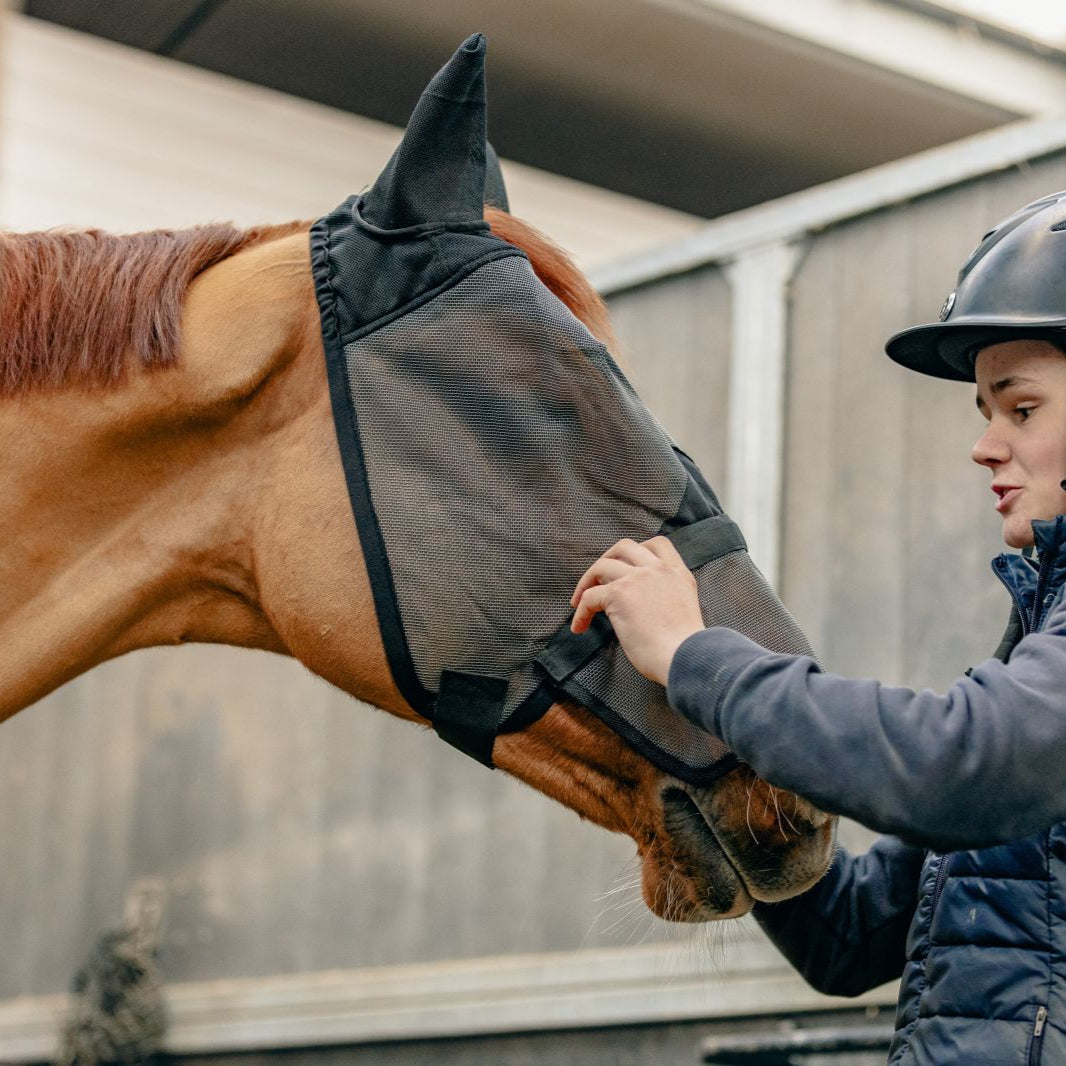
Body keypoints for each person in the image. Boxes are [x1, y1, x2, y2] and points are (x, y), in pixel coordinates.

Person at [569, 190, 1066, 1065]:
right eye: (985, 413)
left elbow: (963, 763)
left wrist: (696, 658)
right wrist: (704, 752)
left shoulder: (1011, 723)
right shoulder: (1037, 628)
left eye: (1020, 409)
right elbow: (853, 936)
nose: (985, 446)